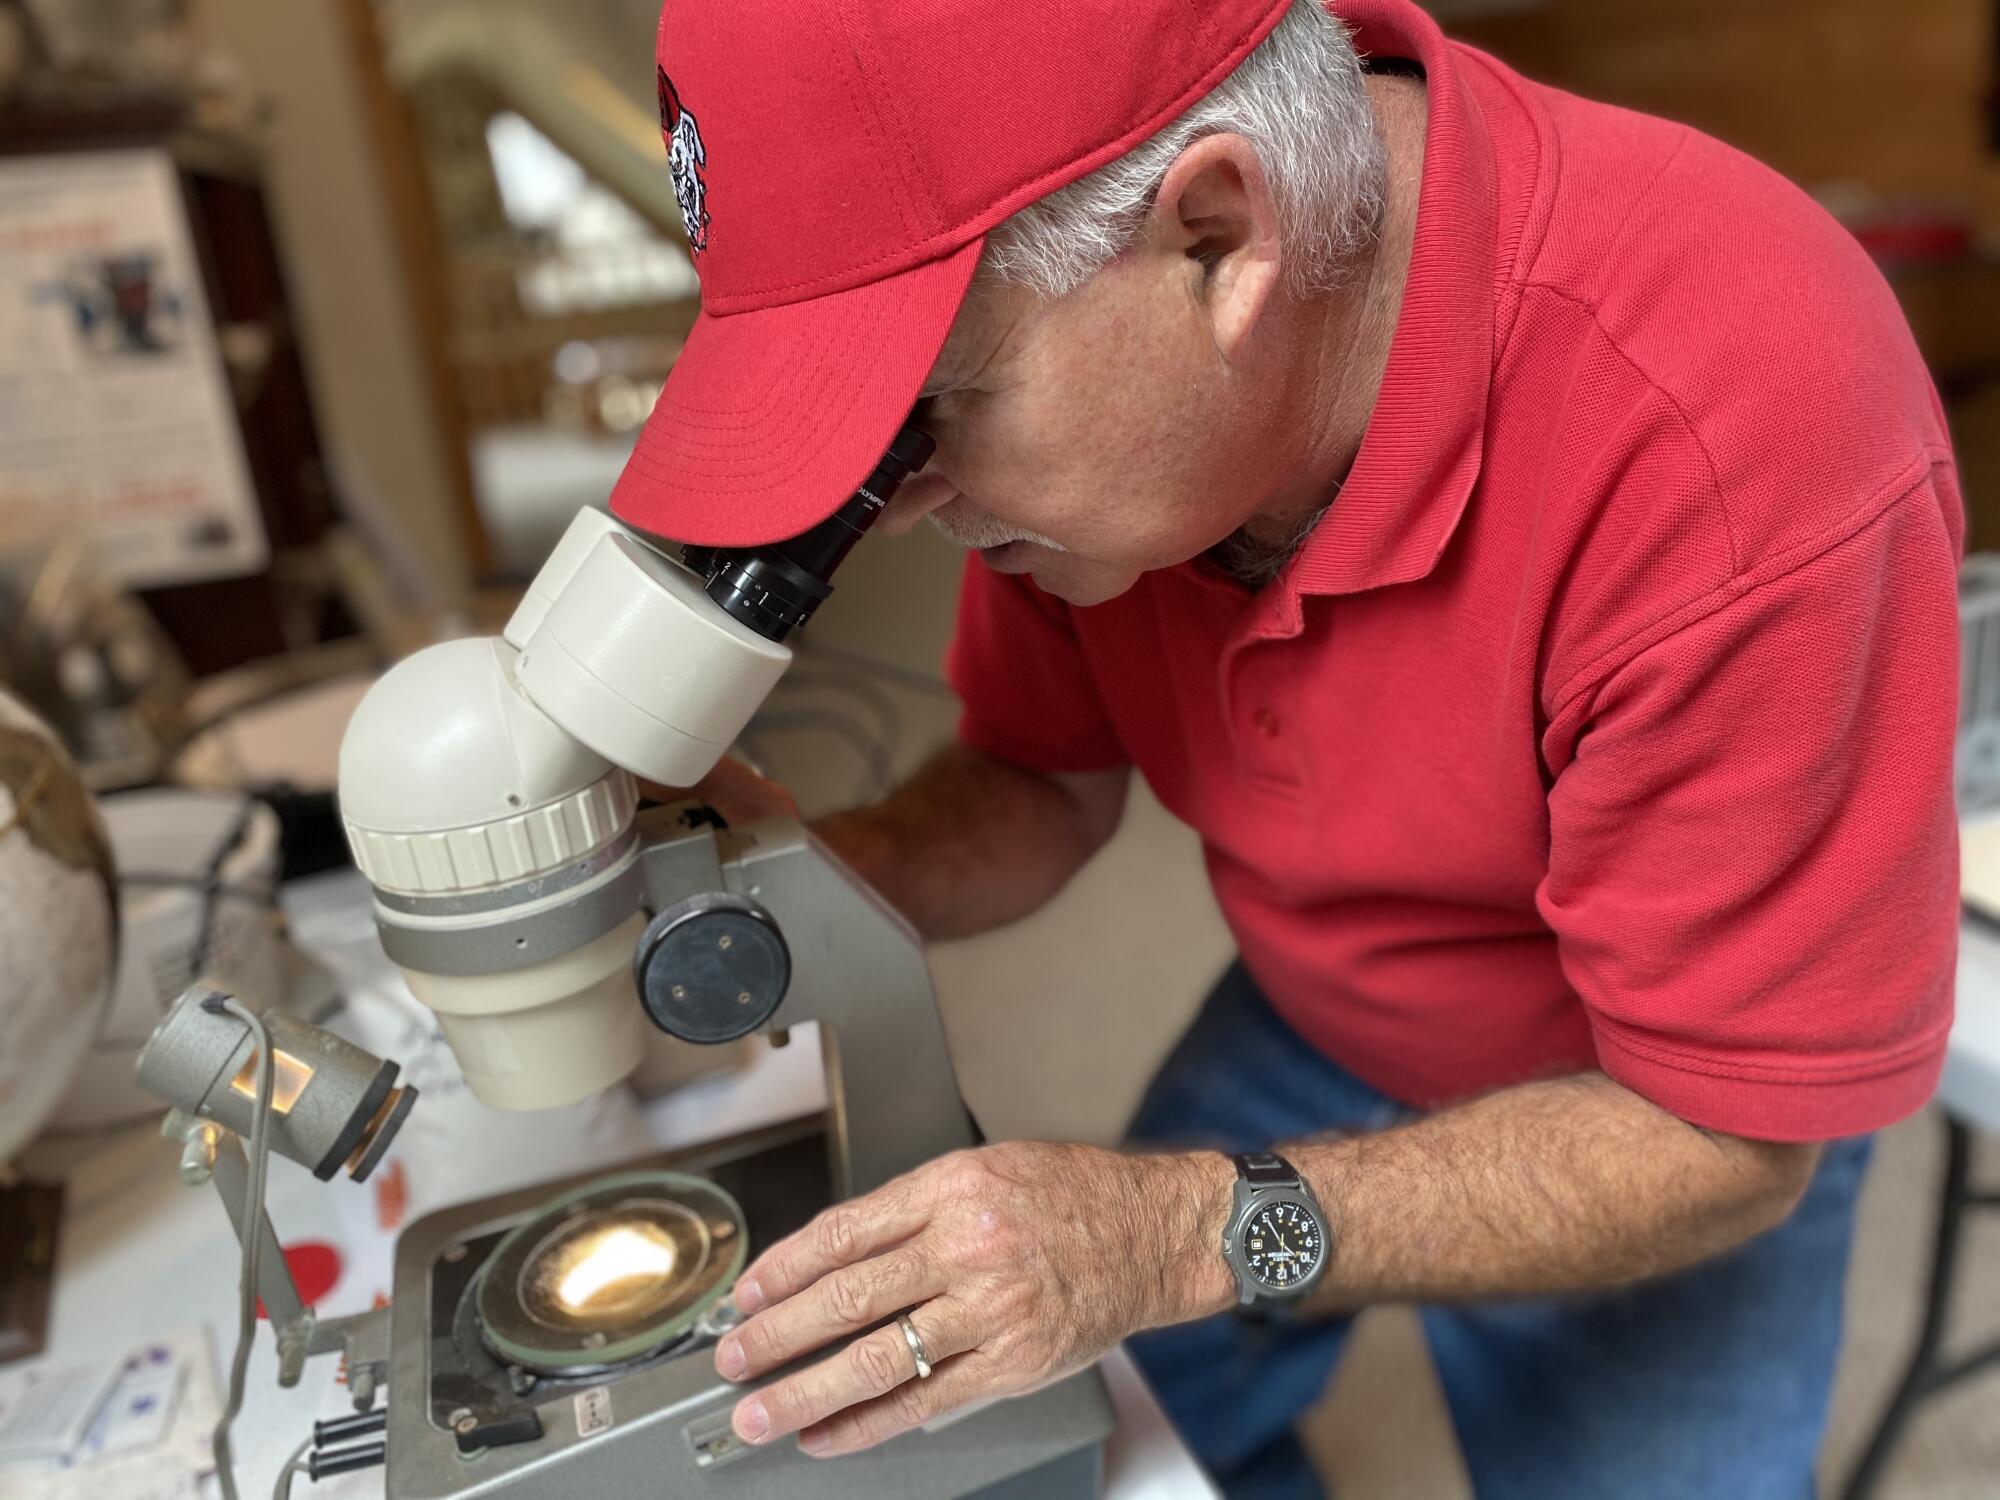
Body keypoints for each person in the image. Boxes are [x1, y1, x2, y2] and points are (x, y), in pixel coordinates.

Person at [609, 1, 1964, 1495]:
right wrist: (804, 874)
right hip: (1324, 1001)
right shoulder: (1101, 481)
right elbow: (1038, 786)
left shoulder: (1744, 421)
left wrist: (1183, 1235)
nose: (910, 502)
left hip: (1654, 1099)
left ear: (1215, 236)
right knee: (1105, 1421)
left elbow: (1728, 1133)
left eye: (932, 408)